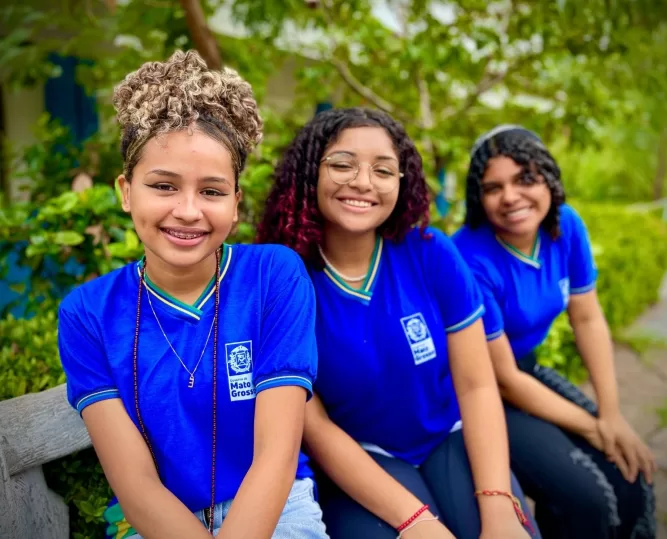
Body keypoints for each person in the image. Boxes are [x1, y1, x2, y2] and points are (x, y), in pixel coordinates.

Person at [57, 50, 328, 539]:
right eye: (163, 185)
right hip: (156, 523)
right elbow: (137, 486)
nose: (187, 211)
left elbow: (275, 455)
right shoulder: (87, 315)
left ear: (236, 202)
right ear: (125, 191)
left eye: (211, 191)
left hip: (277, 509)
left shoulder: (273, 276)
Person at [256, 107, 539, 539]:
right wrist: (416, 521)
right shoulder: (285, 281)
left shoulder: (430, 252)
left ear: (401, 183)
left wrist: (498, 505)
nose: (363, 182)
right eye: (342, 164)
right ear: (310, 173)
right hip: (360, 456)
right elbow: (315, 427)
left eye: (383, 170)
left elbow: (477, 385)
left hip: (448, 436)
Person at [452, 125, 657, 539]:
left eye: (525, 178)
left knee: (631, 473)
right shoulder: (468, 257)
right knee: (586, 497)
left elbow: (587, 318)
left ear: (549, 178)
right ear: (479, 197)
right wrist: (595, 426)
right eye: (494, 187)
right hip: (471, 392)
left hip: (523, 371)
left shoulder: (565, 226)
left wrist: (612, 414)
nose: (511, 196)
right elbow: (504, 380)